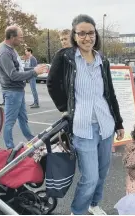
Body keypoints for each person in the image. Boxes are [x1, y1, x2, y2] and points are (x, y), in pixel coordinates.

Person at [47, 14, 125, 215]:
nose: (87, 37)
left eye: (90, 33)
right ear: (74, 35)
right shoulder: (65, 57)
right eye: (81, 33)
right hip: (82, 127)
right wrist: (65, 109)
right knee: (89, 176)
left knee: (102, 172)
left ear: (95, 34)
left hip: (105, 125)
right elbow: (52, 84)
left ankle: (94, 204)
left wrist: (118, 123)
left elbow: (109, 93)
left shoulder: (102, 59)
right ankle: (78, 210)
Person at [0, 25, 47, 149]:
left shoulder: (11, 49)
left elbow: (20, 69)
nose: (22, 40)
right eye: (20, 37)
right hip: (12, 92)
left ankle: (32, 140)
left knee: (23, 118)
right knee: (9, 122)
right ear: (12, 37)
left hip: (18, 91)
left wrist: (34, 69)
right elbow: (13, 75)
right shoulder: (4, 52)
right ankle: (10, 149)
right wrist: (34, 72)